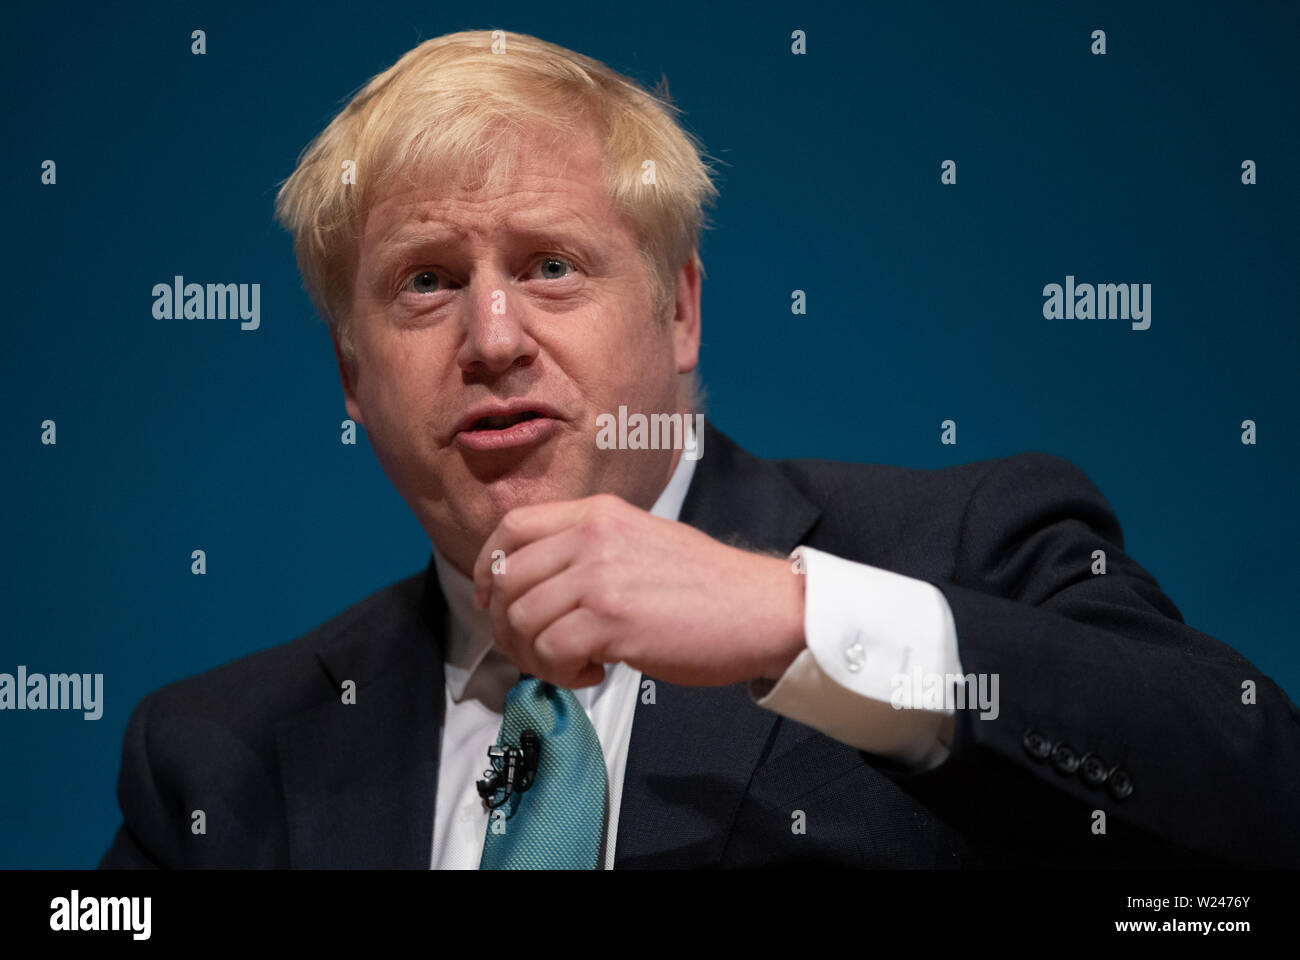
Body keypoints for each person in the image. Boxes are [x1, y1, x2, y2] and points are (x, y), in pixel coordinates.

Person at [100, 29, 1300, 869]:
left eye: (549, 265)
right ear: (353, 377)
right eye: (424, 283)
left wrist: (791, 620)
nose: (493, 337)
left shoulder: (961, 546)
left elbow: (1256, 790)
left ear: (680, 309)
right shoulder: (218, 760)